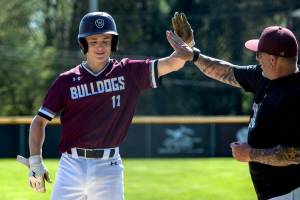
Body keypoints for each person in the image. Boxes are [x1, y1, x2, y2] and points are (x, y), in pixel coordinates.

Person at [16, 11, 187, 200]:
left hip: (109, 167)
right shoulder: (66, 80)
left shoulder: (128, 72)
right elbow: (39, 122)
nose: (100, 47)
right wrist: (35, 162)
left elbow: (173, 63)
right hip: (71, 165)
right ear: (84, 44)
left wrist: (187, 48)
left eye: (105, 41)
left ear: (113, 43)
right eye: (94, 41)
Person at [170, 13, 300, 200]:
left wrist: (251, 154)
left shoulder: (295, 94)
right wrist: (193, 54)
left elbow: (296, 153)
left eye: (259, 54)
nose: (256, 58)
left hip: (291, 193)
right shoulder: (265, 75)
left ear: (273, 60)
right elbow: (227, 71)